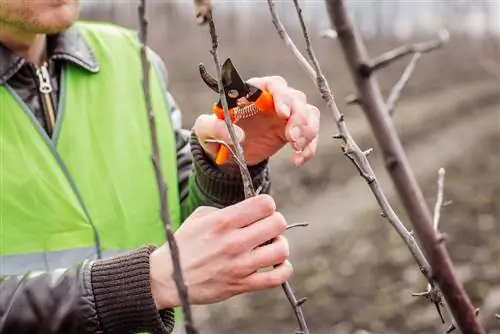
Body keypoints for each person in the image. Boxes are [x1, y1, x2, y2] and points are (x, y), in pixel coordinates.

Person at [0, 1, 320, 333]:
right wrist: (140, 286)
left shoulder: (130, 60)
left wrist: (231, 162)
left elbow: (182, 226)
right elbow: (163, 272)